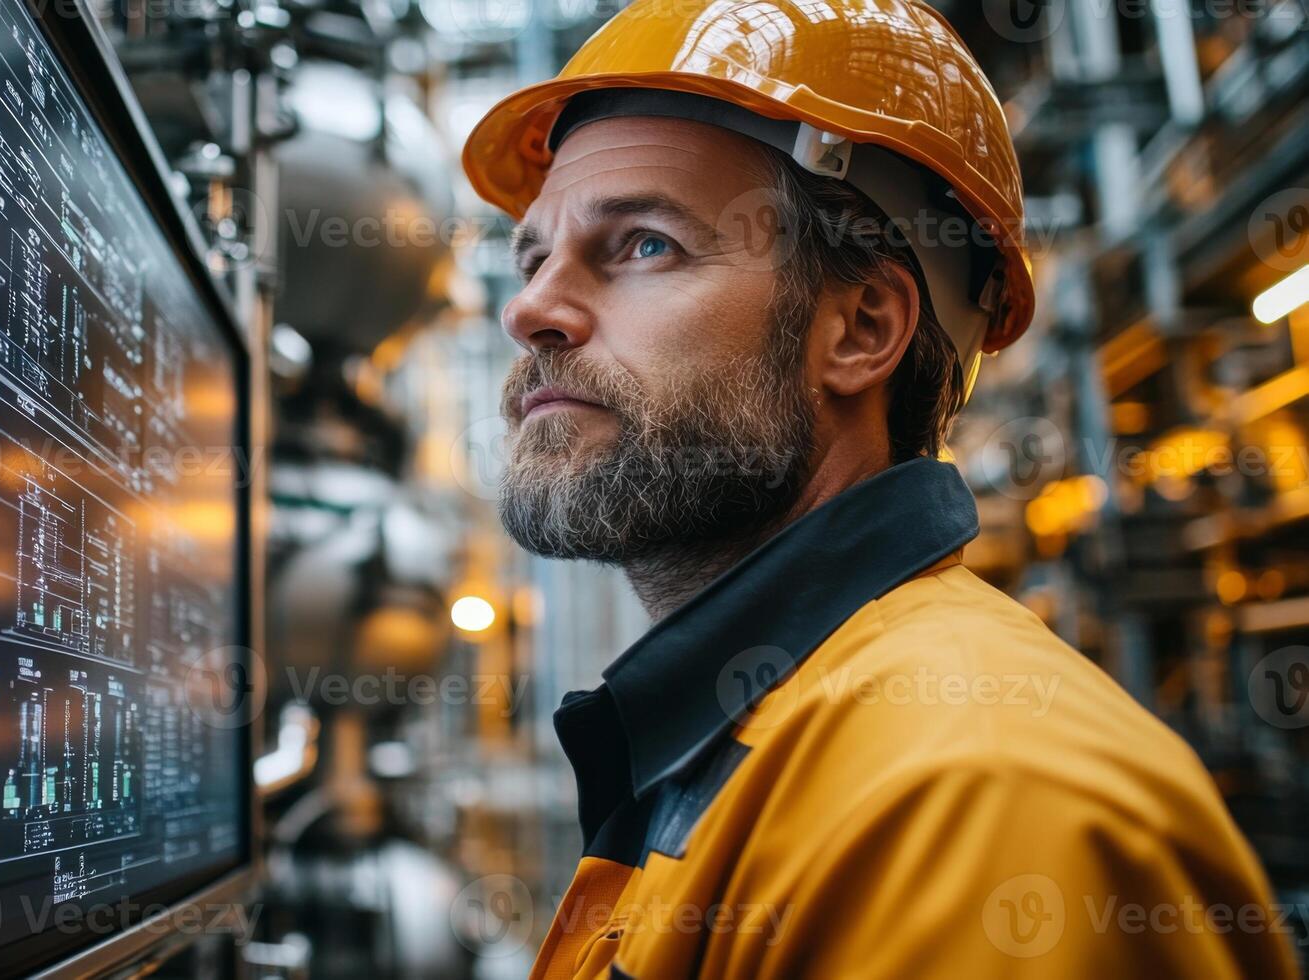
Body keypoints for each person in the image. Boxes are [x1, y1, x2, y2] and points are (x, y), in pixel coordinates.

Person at [460, 0, 1299, 975]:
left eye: (645, 243)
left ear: (861, 329)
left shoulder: (978, 800)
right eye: (532, 257)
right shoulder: (749, 737)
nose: (530, 310)